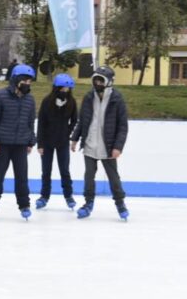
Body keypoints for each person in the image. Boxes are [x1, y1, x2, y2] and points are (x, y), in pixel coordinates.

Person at [70, 66, 130, 220]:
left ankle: (120, 203)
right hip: (90, 144)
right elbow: (82, 121)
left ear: (109, 81)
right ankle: (88, 203)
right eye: (95, 79)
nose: (97, 83)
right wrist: (75, 138)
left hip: (108, 147)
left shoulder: (117, 99)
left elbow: (123, 126)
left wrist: (118, 147)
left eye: (101, 80)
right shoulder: (89, 97)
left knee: (113, 177)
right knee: (89, 176)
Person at [0, 64, 37, 220]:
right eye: (26, 81)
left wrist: (30, 141)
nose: (28, 84)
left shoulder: (29, 100)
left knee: (22, 177)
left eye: (30, 81)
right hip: (2, 144)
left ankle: (24, 204)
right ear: (16, 80)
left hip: (21, 144)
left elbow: (30, 122)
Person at [35, 73, 78, 210]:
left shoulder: (71, 102)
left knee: (64, 170)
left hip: (62, 142)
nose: (65, 91)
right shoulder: (47, 101)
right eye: (63, 88)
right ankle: (44, 196)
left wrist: (68, 132)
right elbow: (41, 123)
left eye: (68, 89)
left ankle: (68, 196)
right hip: (47, 142)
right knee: (46, 171)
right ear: (57, 88)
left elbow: (75, 120)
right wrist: (40, 144)